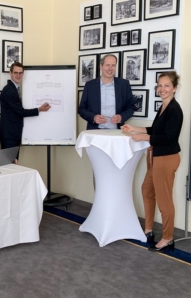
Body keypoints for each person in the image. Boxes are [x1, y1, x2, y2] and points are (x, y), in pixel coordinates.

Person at [121, 71, 183, 252]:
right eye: (160, 85)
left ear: (174, 88)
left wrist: (143, 138)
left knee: (164, 201)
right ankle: (148, 230)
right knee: (147, 190)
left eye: (167, 86)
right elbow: (155, 129)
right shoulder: (164, 107)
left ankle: (168, 238)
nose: (162, 89)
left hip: (166, 159)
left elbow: (169, 138)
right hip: (158, 158)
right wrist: (134, 128)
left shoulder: (174, 110)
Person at [0, 62, 51, 152]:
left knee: (14, 160)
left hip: (13, 134)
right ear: (10, 73)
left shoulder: (14, 89)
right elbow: (21, 112)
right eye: (15, 73)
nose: (18, 75)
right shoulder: (9, 91)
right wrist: (39, 109)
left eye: (20, 73)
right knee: (9, 161)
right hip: (9, 135)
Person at [78, 54, 137, 130]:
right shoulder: (90, 85)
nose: (110, 68)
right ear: (101, 66)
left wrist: (122, 117)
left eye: (113, 65)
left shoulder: (124, 85)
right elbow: (81, 109)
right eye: (107, 65)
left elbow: (131, 107)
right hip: (95, 131)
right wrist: (93, 117)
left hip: (117, 131)